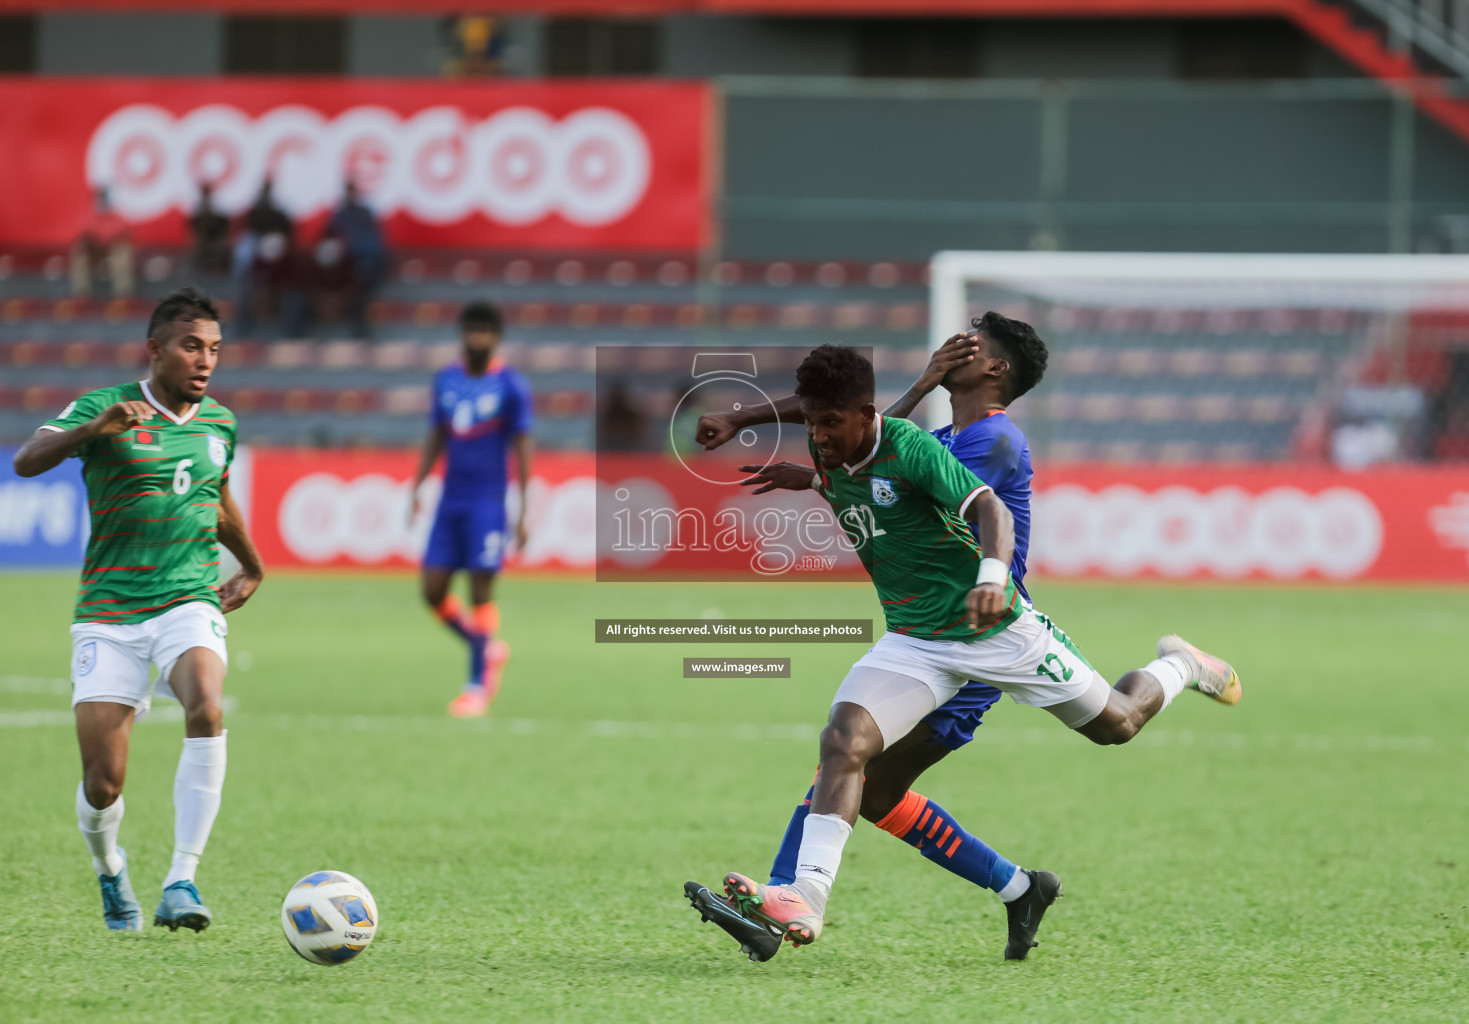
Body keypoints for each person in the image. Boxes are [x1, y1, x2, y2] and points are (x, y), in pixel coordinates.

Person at [687, 344, 1240, 956]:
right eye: (811, 423)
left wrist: (992, 578)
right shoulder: (837, 447)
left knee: (1118, 723)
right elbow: (841, 433)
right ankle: (805, 898)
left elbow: (989, 509)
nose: (817, 436)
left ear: (865, 414)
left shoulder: (944, 445)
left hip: (997, 630)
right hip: (916, 642)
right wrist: (754, 426)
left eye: (829, 425)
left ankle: (1180, 664)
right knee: (845, 744)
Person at [688, 314, 1049, 960]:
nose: (951, 344)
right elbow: (862, 435)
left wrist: (906, 394)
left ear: (993, 368)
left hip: (973, 646)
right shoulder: (943, 434)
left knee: (843, 759)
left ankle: (777, 906)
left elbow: (874, 453)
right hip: (929, 636)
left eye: (969, 343)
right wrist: (748, 424)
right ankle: (1020, 888)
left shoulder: (991, 441)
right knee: (873, 793)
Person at [12, 287, 264, 933]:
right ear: (155, 350)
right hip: (109, 611)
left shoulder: (220, 424)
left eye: (213, 349)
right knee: (103, 785)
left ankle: (182, 879)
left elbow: (214, 498)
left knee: (205, 704)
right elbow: (26, 459)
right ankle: (109, 869)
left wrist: (252, 563)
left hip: (187, 597)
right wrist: (90, 433)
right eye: (190, 346)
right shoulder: (105, 407)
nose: (204, 361)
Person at [409, 301, 533, 718]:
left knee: (481, 589)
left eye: (486, 331)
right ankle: (488, 648)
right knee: (432, 590)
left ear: (497, 337)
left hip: (487, 502)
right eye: (472, 330)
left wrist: (524, 510)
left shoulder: (511, 387)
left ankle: (476, 685)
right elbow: (435, 436)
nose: (478, 337)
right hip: (450, 501)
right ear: (461, 333)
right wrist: (418, 485)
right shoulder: (446, 380)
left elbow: (522, 447)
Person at [327, 182, 387, 339]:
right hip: (349, 263)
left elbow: (376, 242)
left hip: (367, 260)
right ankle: (358, 322)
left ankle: (359, 322)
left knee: (362, 283)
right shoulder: (340, 215)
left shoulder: (363, 213)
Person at [70, 187, 134, 299]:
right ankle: (81, 295)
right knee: (79, 255)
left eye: (104, 198)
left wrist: (110, 244)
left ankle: (123, 295)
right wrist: (90, 244)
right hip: (95, 253)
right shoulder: (90, 218)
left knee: (122, 255)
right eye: (100, 198)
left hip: (112, 253)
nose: (102, 201)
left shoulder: (117, 218)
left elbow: (124, 238)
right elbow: (82, 237)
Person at [189, 183, 232, 277]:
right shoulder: (198, 205)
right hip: (204, 239)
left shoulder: (216, 204)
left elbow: (223, 222)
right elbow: (193, 223)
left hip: (215, 236)